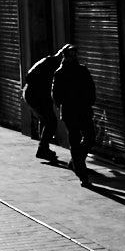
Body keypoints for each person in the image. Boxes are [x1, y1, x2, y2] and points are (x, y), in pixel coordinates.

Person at [51, 44, 97, 186]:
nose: (74, 57)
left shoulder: (82, 70)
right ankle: (83, 176)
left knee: (90, 137)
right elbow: (55, 95)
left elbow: (91, 87)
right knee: (75, 142)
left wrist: (89, 101)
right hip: (70, 112)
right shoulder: (60, 73)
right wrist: (66, 103)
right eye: (71, 54)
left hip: (84, 110)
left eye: (75, 54)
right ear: (65, 56)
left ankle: (76, 161)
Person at [22, 47, 66, 161]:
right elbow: (30, 77)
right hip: (34, 95)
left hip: (39, 95)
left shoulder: (56, 65)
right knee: (51, 121)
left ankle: (43, 148)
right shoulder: (49, 62)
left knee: (46, 120)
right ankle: (42, 148)